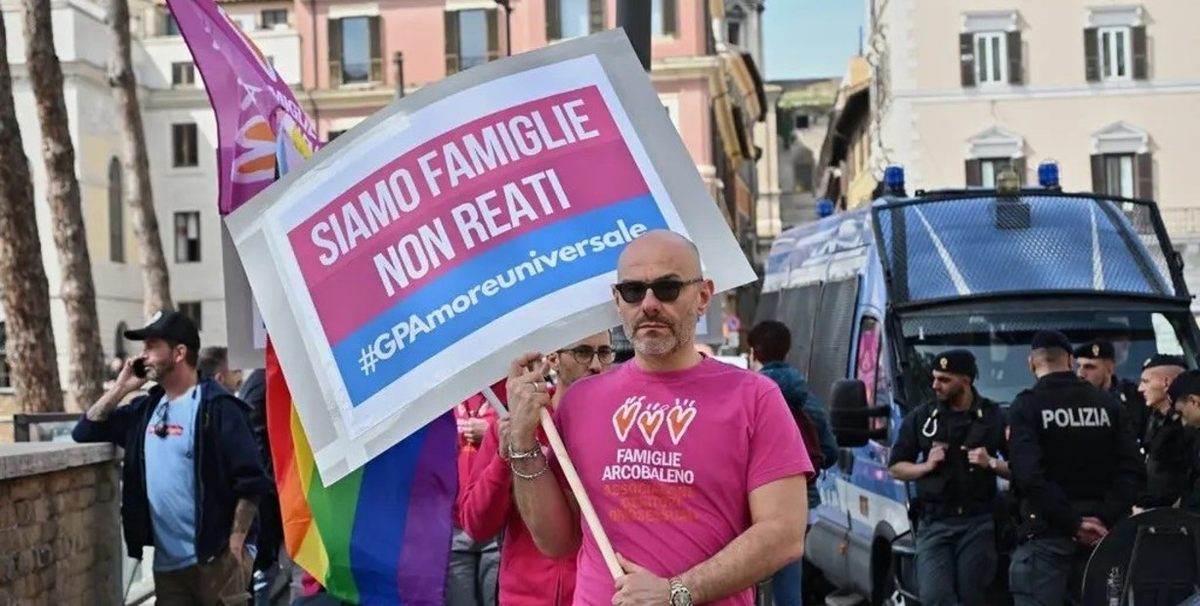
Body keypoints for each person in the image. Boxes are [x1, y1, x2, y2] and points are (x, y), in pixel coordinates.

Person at [506, 229, 813, 606]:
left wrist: (677, 592)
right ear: (618, 301)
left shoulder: (754, 397)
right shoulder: (580, 401)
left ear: (702, 297)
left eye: (667, 288)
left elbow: (784, 534)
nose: (649, 304)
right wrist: (522, 442)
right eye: (634, 291)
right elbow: (556, 541)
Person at [72, 310, 272, 606]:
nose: (142, 356)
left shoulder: (219, 407)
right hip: (168, 568)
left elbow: (252, 481)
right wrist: (121, 388)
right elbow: (86, 430)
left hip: (217, 560)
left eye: (152, 346)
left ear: (179, 353)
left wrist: (235, 545)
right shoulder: (145, 410)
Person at [459, 332, 616, 605]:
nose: (595, 364)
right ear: (553, 358)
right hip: (523, 597)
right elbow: (476, 525)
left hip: (596, 595)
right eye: (583, 352)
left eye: (604, 353)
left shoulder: (620, 428)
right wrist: (505, 457)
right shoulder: (514, 425)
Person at [1006, 331, 1146, 606]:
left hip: (1048, 538)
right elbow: (1133, 469)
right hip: (1104, 539)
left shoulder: (1027, 406)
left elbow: (1028, 475)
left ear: (1031, 363)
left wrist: (1073, 523)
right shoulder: (1108, 404)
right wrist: (1103, 518)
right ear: (1069, 360)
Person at [887, 350, 1009, 606]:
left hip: (978, 522)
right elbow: (896, 467)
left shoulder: (994, 416)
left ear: (965, 380)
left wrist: (992, 463)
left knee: (973, 597)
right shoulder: (923, 417)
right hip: (935, 522)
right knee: (935, 596)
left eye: (944, 379)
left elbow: (1020, 469)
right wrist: (925, 467)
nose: (935, 385)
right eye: (934, 378)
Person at [746, 320, 838, 606]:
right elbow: (829, 452)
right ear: (787, 351)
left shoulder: (749, 395)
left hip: (753, 501)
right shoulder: (807, 399)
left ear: (754, 352)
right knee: (788, 567)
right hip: (804, 502)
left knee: (745, 572)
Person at [448, 385, 501, 606]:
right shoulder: (443, 402)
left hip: (495, 531)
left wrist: (490, 431)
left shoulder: (505, 395)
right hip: (454, 530)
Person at [1134, 355, 1190, 510]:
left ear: (1166, 383)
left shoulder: (1185, 427)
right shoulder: (1153, 420)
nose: (1140, 388)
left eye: (1146, 382)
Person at [1073, 339, 1146, 440]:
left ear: (1110, 369)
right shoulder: (1072, 399)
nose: (1080, 374)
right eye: (1078, 366)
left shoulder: (1133, 396)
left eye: (1089, 367)